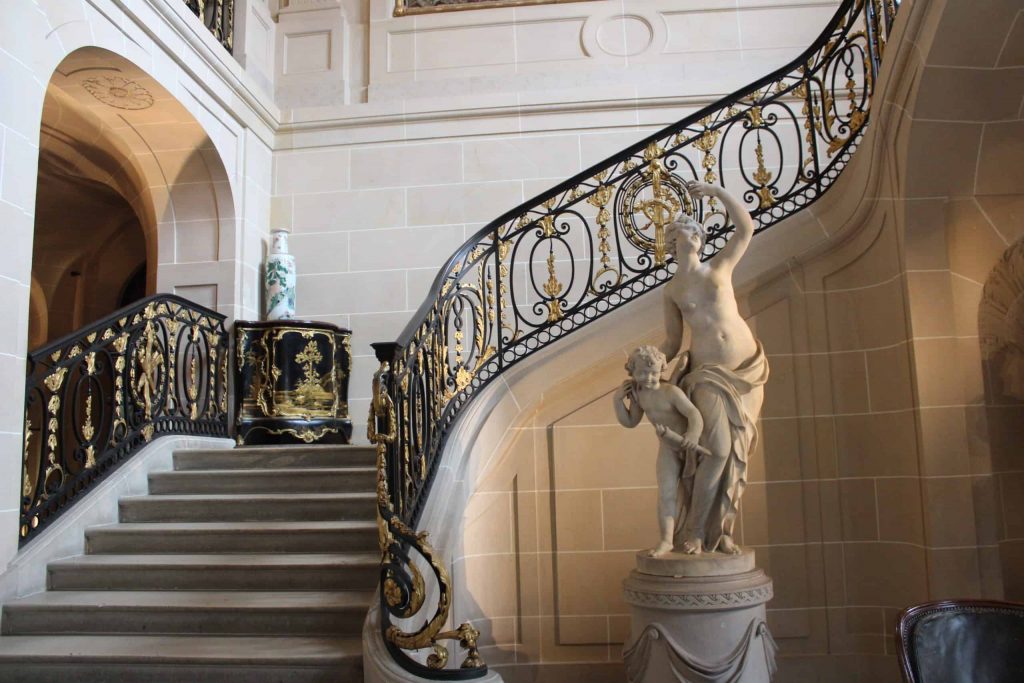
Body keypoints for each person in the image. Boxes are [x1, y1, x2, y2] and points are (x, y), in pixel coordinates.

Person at [657, 181, 770, 555]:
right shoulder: (672, 291)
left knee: (738, 452)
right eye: (684, 233)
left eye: (695, 233)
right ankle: (694, 531)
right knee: (717, 450)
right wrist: (650, 367)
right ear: (674, 242)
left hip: (748, 370)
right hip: (706, 373)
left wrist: (717, 191)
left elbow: (746, 228)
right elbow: (673, 343)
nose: (691, 238)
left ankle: (721, 533)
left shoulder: (719, 267)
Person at [613, 345, 708, 557]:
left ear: (662, 370)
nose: (650, 378)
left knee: (696, 492)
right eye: (643, 373)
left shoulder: (670, 392)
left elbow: (694, 414)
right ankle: (666, 540)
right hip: (668, 447)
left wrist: (692, 435)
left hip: (689, 446)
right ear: (632, 372)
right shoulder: (638, 394)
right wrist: (617, 400)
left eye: (655, 372)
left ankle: (697, 537)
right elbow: (630, 421)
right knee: (666, 493)